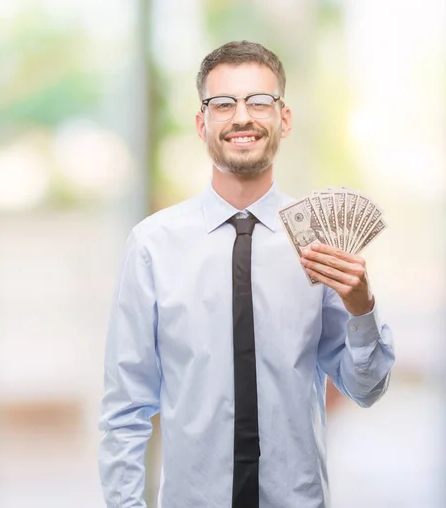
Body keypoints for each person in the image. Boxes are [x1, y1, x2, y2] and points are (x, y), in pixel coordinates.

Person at [98, 40, 395, 508]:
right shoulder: (153, 245)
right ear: (202, 123)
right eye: (223, 104)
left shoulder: (322, 241)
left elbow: (366, 389)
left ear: (284, 119)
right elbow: (126, 407)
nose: (242, 117)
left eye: (259, 101)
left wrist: (363, 308)